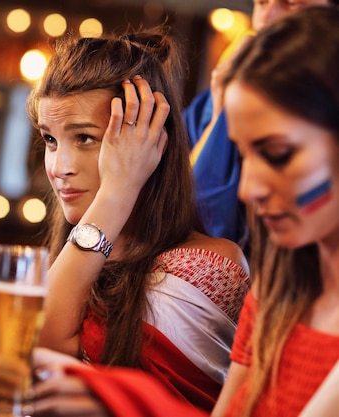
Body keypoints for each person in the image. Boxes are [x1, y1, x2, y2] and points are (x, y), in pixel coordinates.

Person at [30, 6, 339, 417]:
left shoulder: (205, 265)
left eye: (278, 154)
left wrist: (128, 401)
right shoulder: (276, 291)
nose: (246, 189)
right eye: (242, 157)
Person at [25, 25, 250, 412]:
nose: (59, 166)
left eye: (85, 138)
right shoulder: (78, 259)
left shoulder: (205, 266)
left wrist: (118, 190)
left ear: (148, 141)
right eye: (50, 139)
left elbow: (41, 351)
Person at [184, 0, 336, 249]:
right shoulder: (213, 103)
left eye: (292, 4)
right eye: (261, 3)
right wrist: (219, 113)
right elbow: (178, 219)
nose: (265, 20)